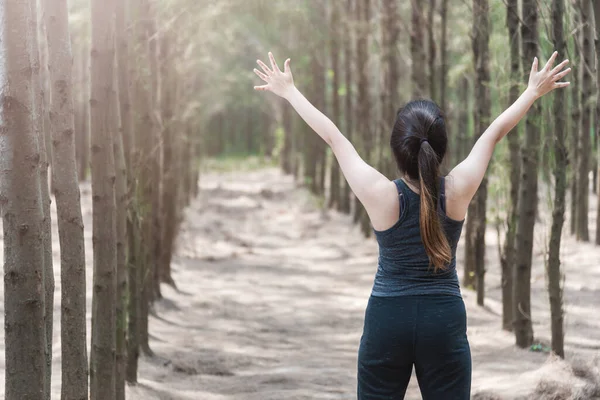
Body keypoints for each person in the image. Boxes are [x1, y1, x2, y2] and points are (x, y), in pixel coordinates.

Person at [253, 51, 570, 399]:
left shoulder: (380, 195)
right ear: (441, 149)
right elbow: (493, 134)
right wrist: (531, 92)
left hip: (388, 319)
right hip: (443, 320)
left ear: (397, 149)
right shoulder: (458, 189)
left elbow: (334, 138)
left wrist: (290, 91)